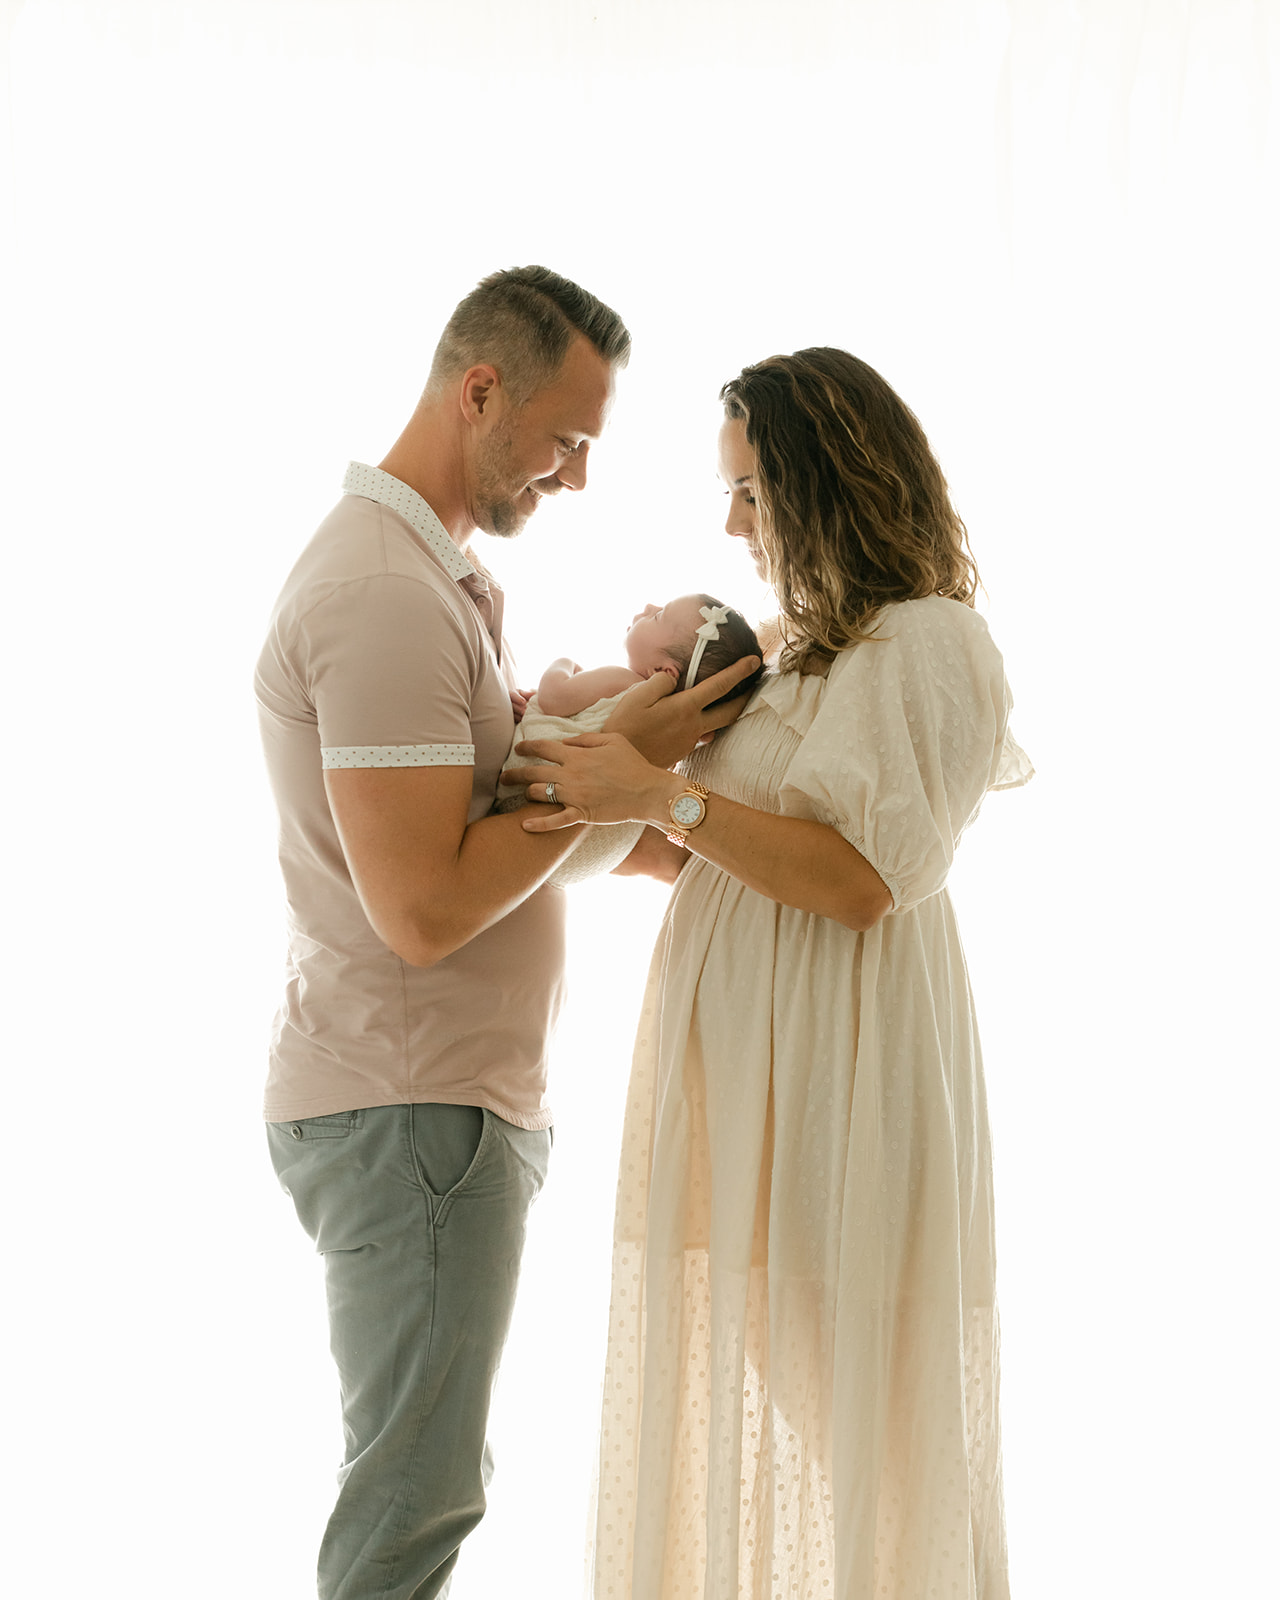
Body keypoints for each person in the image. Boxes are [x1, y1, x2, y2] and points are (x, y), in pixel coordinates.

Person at [253, 265, 758, 1600]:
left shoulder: (436, 580)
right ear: (481, 391)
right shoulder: (382, 596)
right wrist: (622, 758)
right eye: (568, 439)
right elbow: (423, 908)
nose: (577, 478)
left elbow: (496, 835)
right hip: (410, 1109)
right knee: (415, 1500)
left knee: (425, 1481)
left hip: (441, 1108)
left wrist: (652, 814)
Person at [508, 346, 1034, 1599]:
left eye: (748, 490)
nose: (730, 521)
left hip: (841, 1070)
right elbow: (712, 852)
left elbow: (860, 879)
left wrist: (666, 799)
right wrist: (590, 784)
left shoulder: (927, 644)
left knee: (867, 1424)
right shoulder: (791, 655)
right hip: (745, 1072)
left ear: (822, 482)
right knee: (780, 1392)